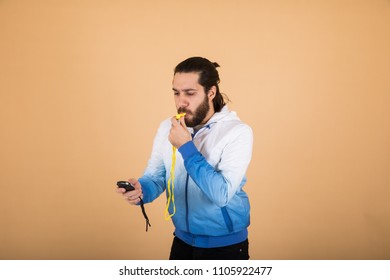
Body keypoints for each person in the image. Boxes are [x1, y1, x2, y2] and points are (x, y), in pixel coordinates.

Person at [117, 57, 253, 260]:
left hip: (225, 247)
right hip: (182, 242)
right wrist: (141, 190)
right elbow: (157, 175)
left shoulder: (238, 132)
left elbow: (221, 195)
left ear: (211, 92)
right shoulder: (168, 127)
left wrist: (186, 147)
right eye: (176, 93)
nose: (181, 101)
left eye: (190, 93)